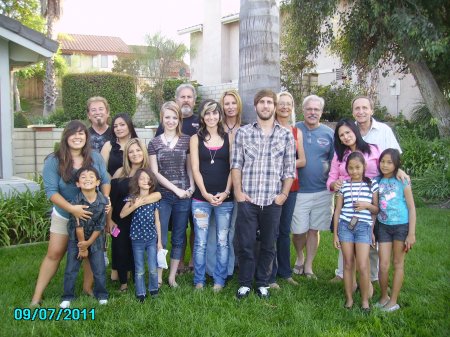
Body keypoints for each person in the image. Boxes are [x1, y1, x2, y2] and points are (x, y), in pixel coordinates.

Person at [31, 120, 110, 306]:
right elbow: (51, 192)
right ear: (66, 136)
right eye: (73, 133)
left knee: (91, 252)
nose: (77, 137)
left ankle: (88, 288)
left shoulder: (95, 157)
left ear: (86, 137)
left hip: (92, 216)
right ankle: (37, 296)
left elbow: (105, 179)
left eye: (81, 133)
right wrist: (72, 209)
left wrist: (106, 198)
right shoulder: (54, 160)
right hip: (64, 214)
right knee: (55, 253)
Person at [330, 96, 405, 284]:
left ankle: (370, 277)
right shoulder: (341, 154)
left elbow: (389, 161)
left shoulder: (374, 148)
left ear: (372, 109)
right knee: (347, 237)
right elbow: (331, 178)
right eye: (342, 135)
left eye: (365, 107)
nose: (346, 136)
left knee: (370, 237)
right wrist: (334, 185)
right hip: (348, 202)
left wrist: (399, 170)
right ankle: (344, 274)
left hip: (372, 199)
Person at [232, 89, 296, 299]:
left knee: (269, 244)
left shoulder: (286, 134)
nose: (266, 105)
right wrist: (238, 192)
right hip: (248, 199)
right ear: (256, 105)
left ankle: (262, 282)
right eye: (262, 102)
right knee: (246, 242)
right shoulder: (243, 133)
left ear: (275, 106)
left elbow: (289, 169)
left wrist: (283, 195)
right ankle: (244, 282)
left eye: (270, 102)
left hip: (272, 200)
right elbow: (236, 165)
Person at [148, 101, 194, 288]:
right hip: (164, 196)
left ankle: (172, 277)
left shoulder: (186, 140)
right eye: (167, 117)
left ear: (179, 119)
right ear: (162, 118)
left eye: (175, 117)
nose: (171, 121)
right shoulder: (154, 143)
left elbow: (189, 167)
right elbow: (154, 173)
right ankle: (159, 275)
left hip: (184, 196)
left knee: (179, 236)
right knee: (161, 238)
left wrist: (190, 187)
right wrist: (175, 189)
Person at [190, 99, 234, 292]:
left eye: (215, 113)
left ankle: (219, 280)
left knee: (223, 241)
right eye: (207, 113)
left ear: (220, 115)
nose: (211, 117)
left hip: (225, 200)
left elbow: (234, 167)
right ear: (202, 116)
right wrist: (206, 194)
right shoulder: (195, 139)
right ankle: (199, 280)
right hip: (201, 199)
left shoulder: (229, 137)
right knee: (200, 242)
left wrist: (225, 192)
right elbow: (195, 169)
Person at [155, 83, 199, 274]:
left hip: (194, 185)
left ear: (194, 100)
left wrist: (193, 185)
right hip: (169, 190)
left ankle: (193, 261)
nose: (186, 100)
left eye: (189, 97)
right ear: (177, 99)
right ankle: (178, 262)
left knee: (194, 227)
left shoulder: (200, 121)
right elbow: (158, 157)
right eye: (183, 97)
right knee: (174, 229)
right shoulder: (163, 127)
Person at [291, 95, 334, 279]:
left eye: (316, 109)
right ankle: (299, 256)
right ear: (303, 110)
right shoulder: (294, 129)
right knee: (298, 229)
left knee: (314, 229)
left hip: (322, 191)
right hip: (299, 190)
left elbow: (335, 162)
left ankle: (308, 265)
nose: (312, 112)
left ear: (321, 112)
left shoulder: (329, 133)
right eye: (309, 109)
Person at [108, 138, 160, 292]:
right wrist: (109, 219)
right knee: (119, 247)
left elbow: (157, 194)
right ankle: (123, 282)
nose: (135, 154)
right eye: (131, 151)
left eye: (138, 150)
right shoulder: (120, 172)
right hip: (120, 220)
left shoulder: (147, 173)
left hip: (140, 218)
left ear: (143, 152)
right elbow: (111, 198)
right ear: (127, 155)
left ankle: (139, 277)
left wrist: (138, 203)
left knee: (136, 249)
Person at [333, 152, 379, 311]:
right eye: (351, 168)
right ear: (347, 169)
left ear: (364, 167)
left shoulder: (371, 184)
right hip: (345, 226)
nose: (354, 171)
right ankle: (349, 299)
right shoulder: (343, 186)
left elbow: (376, 209)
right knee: (347, 263)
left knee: (363, 264)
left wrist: (366, 205)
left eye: (358, 167)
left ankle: (365, 301)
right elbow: (337, 211)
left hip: (363, 227)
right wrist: (335, 234)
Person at [269, 92, 306, 289]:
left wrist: (284, 163)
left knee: (284, 231)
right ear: (275, 106)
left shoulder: (295, 131)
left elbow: (303, 160)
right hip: (270, 187)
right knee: (270, 231)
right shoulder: (269, 129)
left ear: (292, 107)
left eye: (288, 104)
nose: (284, 107)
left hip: (291, 187)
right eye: (281, 104)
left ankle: (285, 272)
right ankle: (270, 274)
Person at [206, 89, 243, 279]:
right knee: (214, 228)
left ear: (238, 105)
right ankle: (212, 270)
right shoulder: (215, 129)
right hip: (218, 185)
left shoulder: (245, 129)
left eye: (233, 103)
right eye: (226, 103)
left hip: (241, 186)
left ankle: (228, 268)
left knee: (232, 229)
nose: (230, 107)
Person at [60, 167, 109, 308]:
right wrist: (82, 245)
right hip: (77, 240)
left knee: (99, 269)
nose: (87, 179)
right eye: (83, 177)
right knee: (71, 269)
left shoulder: (103, 201)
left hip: (96, 240)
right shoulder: (75, 202)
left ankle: (102, 294)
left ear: (98, 182)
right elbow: (78, 225)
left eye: (91, 176)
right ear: (77, 184)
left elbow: (100, 226)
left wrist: (89, 243)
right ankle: (68, 296)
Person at [375, 149, 416, 312]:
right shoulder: (377, 181)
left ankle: (393, 301)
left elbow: (412, 208)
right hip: (383, 226)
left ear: (396, 164)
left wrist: (411, 233)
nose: (385, 165)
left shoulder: (402, 181)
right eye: (383, 161)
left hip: (401, 227)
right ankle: (384, 296)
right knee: (383, 265)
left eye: (390, 162)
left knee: (398, 263)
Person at [120, 168, 162, 302]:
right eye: (142, 178)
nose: (145, 181)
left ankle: (154, 290)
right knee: (139, 268)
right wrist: (135, 205)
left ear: (152, 181)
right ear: (137, 182)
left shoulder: (155, 199)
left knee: (152, 267)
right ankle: (141, 293)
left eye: (148, 178)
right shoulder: (132, 198)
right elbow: (122, 214)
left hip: (151, 238)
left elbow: (157, 221)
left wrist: (159, 241)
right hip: (137, 238)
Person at [101, 113, 138, 177]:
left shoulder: (138, 145)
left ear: (130, 126)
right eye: (115, 126)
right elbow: (102, 169)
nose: (118, 128)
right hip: (112, 183)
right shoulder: (108, 145)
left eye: (122, 125)